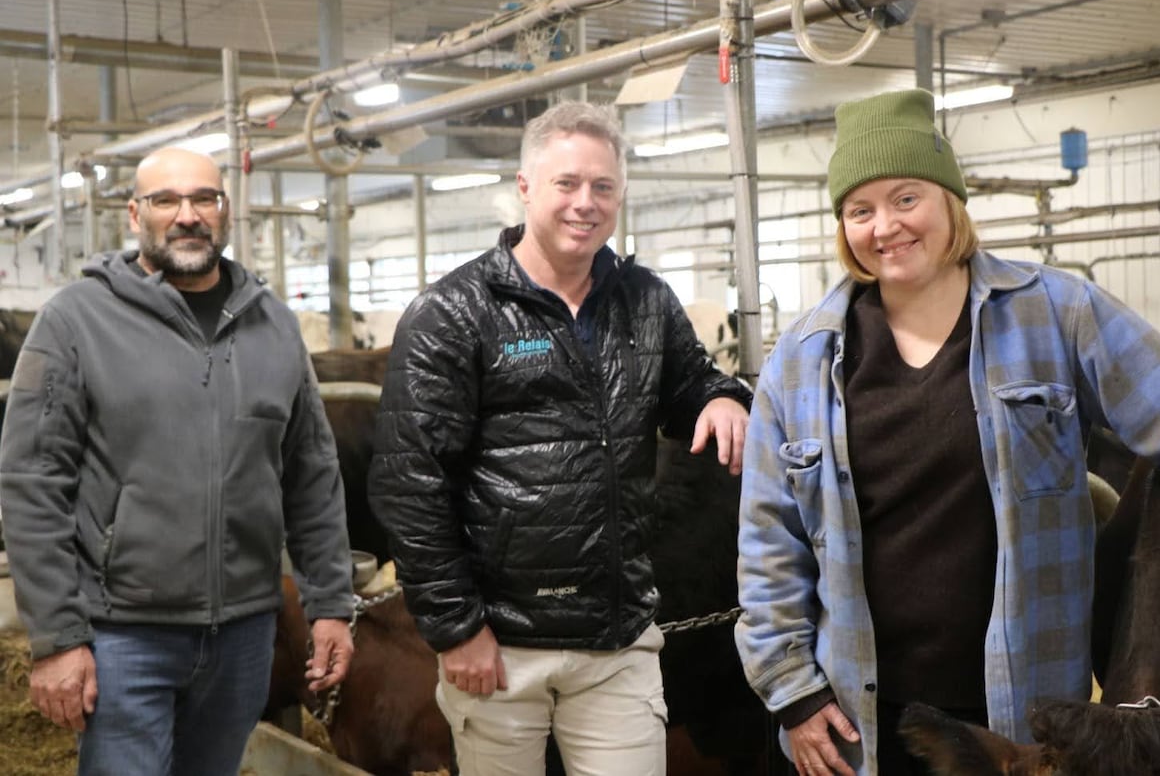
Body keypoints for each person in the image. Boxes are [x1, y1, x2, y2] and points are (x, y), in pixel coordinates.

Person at [734, 89, 1160, 776]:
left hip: (1020, 733)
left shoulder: (1056, 313)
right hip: (861, 729)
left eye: (907, 198)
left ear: (949, 201)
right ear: (844, 227)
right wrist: (792, 692)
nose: (885, 226)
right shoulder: (801, 359)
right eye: (860, 209)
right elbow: (766, 544)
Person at [368, 100, 751, 776]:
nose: (585, 203)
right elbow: (410, 482)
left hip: (618, 640)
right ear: (524, 188)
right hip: (500, 645)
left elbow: (691, 384)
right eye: (566, 184)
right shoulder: (454, 312)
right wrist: (456, 628)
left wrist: (721, 397)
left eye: (603, 187)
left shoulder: (646, 300)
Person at [0, 147, 355, 776]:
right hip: (121, 635)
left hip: (244, 635)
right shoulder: (75, 322)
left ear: (225, 212)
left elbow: (311, 474)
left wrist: (330, 603)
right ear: (136, 214)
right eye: (166, 200)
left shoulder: (273, 325)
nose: (186, 215)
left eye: (203, 199)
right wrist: (56, 639)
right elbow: (33, 483)